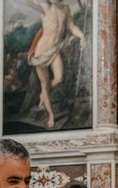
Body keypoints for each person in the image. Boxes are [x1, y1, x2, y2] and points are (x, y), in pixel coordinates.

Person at [26, 0, 85, 129]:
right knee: (45, 84)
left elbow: (71, 26)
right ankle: (51, 116)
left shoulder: (65, 9)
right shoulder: (45, 8)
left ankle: (43, 94)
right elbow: (29, 3)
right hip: (41, 52)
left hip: (55, 50)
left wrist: (81, 36)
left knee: (58, 79)